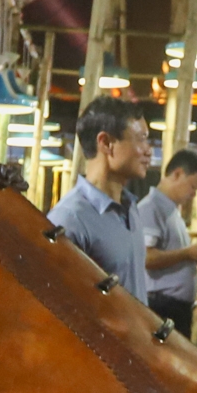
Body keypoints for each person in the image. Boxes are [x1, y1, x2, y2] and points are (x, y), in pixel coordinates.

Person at [48, 96, 151, 305]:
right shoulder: (70, 220)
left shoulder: (130, 208)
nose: (148, 150)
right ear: (106, 143)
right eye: (141, 139)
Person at [133, 148, 197, 342]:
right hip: (161, 307)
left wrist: (192, 255)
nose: (193, 195)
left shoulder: (170, 211)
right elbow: (146, 257)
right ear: (177, 174)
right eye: (193, 187)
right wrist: (187, 254)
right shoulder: (151, 208)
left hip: (174, 308)